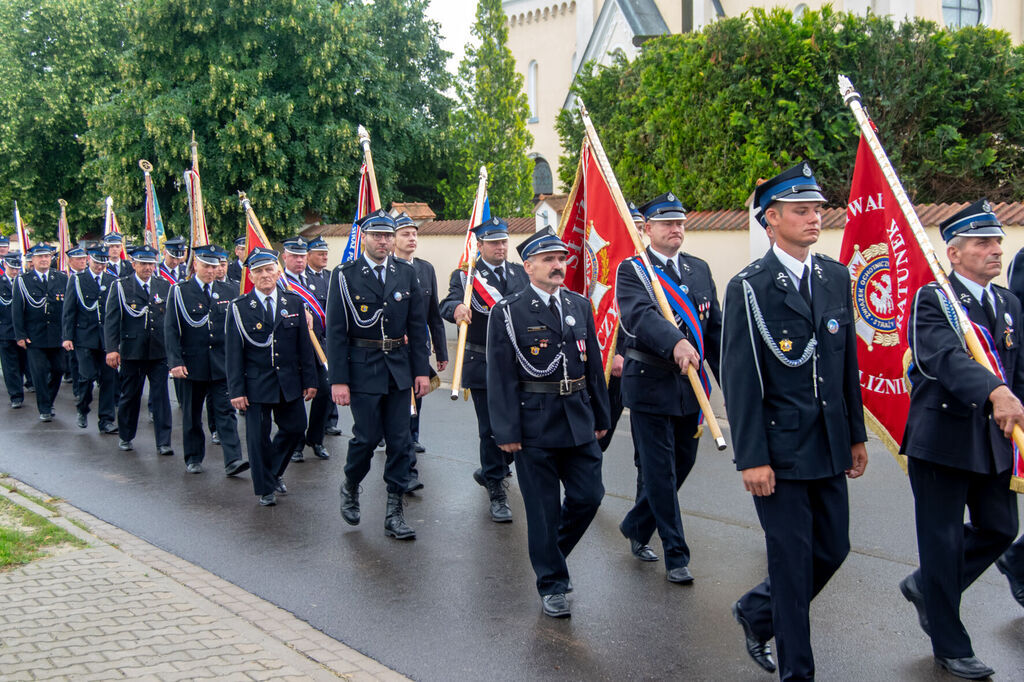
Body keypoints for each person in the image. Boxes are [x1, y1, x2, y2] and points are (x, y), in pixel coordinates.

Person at [721, 162, 868, 680]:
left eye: (818, 209)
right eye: (801, 211)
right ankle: (796, 673)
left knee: (833, 548)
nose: (815, 218)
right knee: (790, 562)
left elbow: (845, 363)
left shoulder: (834, 276)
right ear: (772, 219)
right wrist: (753, 457)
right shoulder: (749, 286)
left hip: (828, 445)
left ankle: (758, 611)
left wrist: (855, 435)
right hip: (779, 454)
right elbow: (740, 381)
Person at [898, 200, 1024, 680]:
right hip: (943, 440)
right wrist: (995, 391)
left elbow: (1020, 372)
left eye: (997, 241)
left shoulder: (1007, 303)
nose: (995, 250)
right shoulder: (933, 299)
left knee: (999, 529)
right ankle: (950, 644)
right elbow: (943, 359)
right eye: (982, 243)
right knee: (942, 543)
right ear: (953, 253)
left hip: (994, 439)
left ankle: (926, 588)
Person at [486, 226, 610, 618]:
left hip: (577, 418)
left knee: (590, 496)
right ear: (529, 266)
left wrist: (602, 417)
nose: (558, 266)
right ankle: (552, 583)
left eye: (561, 259)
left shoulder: (578, 305)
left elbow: (594, 367)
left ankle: (551, 555)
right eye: (549, 260)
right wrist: (505, 432)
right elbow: (500, 376)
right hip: (533, 424)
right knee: (543, 510)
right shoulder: (507, 311)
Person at [615, 193, 722, 581]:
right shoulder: (633, 270)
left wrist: (735, 385)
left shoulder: (698, 269)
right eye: (665, 223)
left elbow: (715, 331)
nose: (675, 229)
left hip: (689, 390)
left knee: (682, 465)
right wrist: (674, 341)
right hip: (649, 384)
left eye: (679, 222)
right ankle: (676, 554)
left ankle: (636, 525)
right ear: (647, 229)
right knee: (659, 471)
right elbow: (639, 315)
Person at [327, 210, 430, 540]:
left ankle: (394, 511)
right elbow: (336, 330)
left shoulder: (405, 273)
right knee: (367, 438)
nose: (383, 241)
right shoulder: (345, 275)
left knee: (401, 442)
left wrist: (421, 372)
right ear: (364, 237)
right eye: (377, 235)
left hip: (399, 368)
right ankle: (351, 484)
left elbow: (416, 325)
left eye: (388, 236)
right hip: (362, 368)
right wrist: (338, 380)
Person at [440, 217, 529, 522]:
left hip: (521, 365)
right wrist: (456, 309)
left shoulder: (520, 273)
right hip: (484, 363)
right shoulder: (466, 276)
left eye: (503, 241)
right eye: (493, 242)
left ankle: (495, 467)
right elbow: (446, 302)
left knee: (522, 426)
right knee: (491, 430)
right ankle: (496, 488)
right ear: (480, 246)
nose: (500, 247)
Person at [226, 248, 317, 506]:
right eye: (258, 271)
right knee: (257, 438)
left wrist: (310, 381)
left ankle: (273, 471)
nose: (265, 275)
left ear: (278, 272)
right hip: (255, 383)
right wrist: (236, 390)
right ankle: (265, 488)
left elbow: (304, 347)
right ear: (251, 276)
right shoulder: (240, 308)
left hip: (288, 381)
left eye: (269, 269)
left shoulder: (294, 303)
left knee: (296, 427)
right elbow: (233, 354)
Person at [165, 244, 249, 477]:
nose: (211, 271)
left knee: (226, 411)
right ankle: (193, 457)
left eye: (215, 266)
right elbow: (171, 330)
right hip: (192, 365)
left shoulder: (229, 291)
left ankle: (233, 459)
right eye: (206, 266)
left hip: (221, 364)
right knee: (192, 414)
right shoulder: (180, 291)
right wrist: (175, 362)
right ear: (195, 265)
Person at [392, 213, 447, 490]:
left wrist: (440, 350)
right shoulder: (387, 268)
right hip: (392, 348)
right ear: (393, 239)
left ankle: (412, 436)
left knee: (418, 393)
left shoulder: (425, 269)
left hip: (418, 346)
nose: (412, 238)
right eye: (405, 234)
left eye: (414, 233)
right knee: (398, 397)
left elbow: (433, 314)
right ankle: (397, 438)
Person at [104, 245, 173, 455]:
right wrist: (112, 349)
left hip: (158, 351)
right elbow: (112, 320)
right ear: (133, 264)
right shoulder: (121, 286)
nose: (147, 268)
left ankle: (163, 442)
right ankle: (126, 435)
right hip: (132, 351)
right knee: (130, 396)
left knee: (161, 397)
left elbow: (169, 321)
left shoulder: (164, 286)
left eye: (151, 264)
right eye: (143, 263)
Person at [280, 236, 331, 464]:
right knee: (296, 396)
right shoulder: (279, 282)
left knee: (326, 389)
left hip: (318, 347)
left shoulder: (317, 279)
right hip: (291, 349)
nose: (299, 261)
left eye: (302, 256)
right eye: (294, 256)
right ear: (285, 257)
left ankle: (316, 438)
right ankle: (297, 443)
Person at [62, 247, 119, 433]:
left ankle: (106, 420)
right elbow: (69, 311)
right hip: (84, 338)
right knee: (86, 378)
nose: (100, 266)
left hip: (106, 340)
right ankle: (82, 408)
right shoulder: (78, 280)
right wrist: (67, 337)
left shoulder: (112, 281)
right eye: (96, 262)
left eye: (103, 263)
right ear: (89, 260)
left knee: (109, 380)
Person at [12, 244, 69, 422]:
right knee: (39, 372)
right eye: (40, 257)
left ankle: (48, 399)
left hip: (57, 334)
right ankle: (44, 407)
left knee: (59, 369)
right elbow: (17, 310)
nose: (44, 260)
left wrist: (68, 334)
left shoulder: (61, 278)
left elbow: (67, 309)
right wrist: (20, 335)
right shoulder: (23, 280)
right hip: (34, 335)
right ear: (33, 260)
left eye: (47, 256)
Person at [306, 235, 344, 438]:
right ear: (308, 255)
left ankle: (329, 421)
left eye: (326, 254)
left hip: (327, 338)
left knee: (329, 381)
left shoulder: (331, 276)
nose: (324, 257)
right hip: (310, 339)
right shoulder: (303, 279)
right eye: (320, 254)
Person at [1, 251, 28, 409]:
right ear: (5, 266)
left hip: (23, 331)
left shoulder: (24, 283)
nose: (15, 271)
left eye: (17, 268)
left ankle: (29, 384)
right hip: (6, 331)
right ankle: (16, 395)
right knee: (10, 366)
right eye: (12, 268)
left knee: (24, 363)